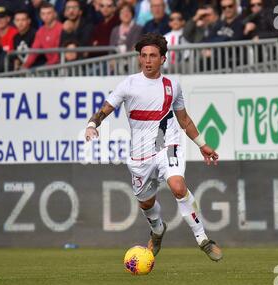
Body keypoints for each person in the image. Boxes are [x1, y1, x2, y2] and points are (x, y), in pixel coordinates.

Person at [84, 33, 223, 262]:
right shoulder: (128, 85)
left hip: (166, 142)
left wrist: (202, 144)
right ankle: (157, 229)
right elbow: (104, 111)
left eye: (153, 56)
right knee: (146, 202)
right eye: (144, 56)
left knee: (178, 186)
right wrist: (92, 125)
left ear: (163, 59)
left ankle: (203, 239)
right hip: (139, 154)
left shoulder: (172, 86)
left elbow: (184, 120)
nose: (147, 60)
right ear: (139, 58)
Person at [23, 3, 63, 69]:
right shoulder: (40, 32)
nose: (46, 16)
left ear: (55, 14)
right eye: (43, 14)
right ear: (40, 16)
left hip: (62, 65)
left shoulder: (61, 28)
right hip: (50, 66)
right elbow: (34, 51)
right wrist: (25, 66)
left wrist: (49, 65)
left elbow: (58, 52)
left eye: (49, 13)